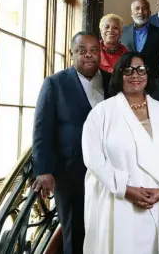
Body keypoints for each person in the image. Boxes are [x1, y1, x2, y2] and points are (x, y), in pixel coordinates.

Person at [82, 52, 159, 254]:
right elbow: (93, 160)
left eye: (141, 69)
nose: (135, 75)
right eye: (128, 70)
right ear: (119, 75)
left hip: (156, 201)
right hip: (118, 199)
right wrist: (125, 189)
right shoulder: (101, 113)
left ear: (148, 74)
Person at [32, 31, 109, 254]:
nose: (88, 55)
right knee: (75, 232)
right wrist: (44, 170)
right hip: (70, 171)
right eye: (82, 51)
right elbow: (42, 129)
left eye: (94, 50)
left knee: (104, 229)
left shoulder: (111, 81)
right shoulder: (54, 83)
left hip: (107, 171)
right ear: (71, 53)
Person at [121, 0, 159, 78]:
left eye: (144, 8)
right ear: (131, 13)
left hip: (153, 81)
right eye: (137, 8)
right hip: (128, 79)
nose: (141, 12)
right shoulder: (122, 32)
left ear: (149, 13)